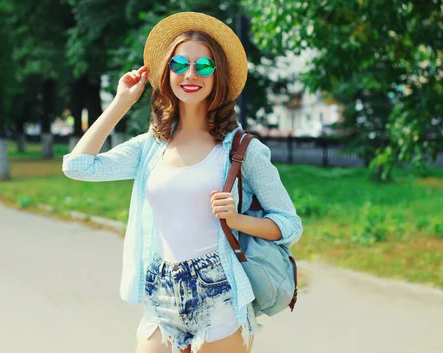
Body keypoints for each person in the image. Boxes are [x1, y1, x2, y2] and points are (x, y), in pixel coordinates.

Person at [62, 12, 303, 353]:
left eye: (204, 66)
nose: (191, 74)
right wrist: (120, 103)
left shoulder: (241, 149)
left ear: (217, 76)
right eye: (180, 64)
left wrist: (236, 220)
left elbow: (290, 225)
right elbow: (78, 167)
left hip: (219, 293)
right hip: (160, 291)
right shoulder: (150, 146)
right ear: (167, 72)